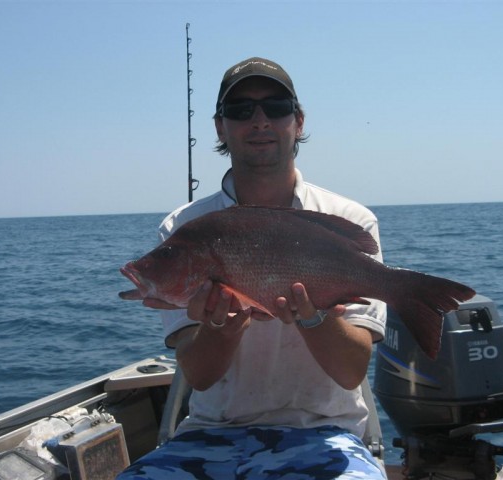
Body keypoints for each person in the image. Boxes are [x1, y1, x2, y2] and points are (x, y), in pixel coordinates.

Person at [117, 57, 387, 480]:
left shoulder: (348, 218)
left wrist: (314, 317)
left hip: (326, 433)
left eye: (275, 107)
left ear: (297, 121)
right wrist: (224, 326)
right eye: (240, 111)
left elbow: (351, 371)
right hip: (212, 433)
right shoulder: (183, 227)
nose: (259, 120)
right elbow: (201, 378)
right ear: (220, 128)